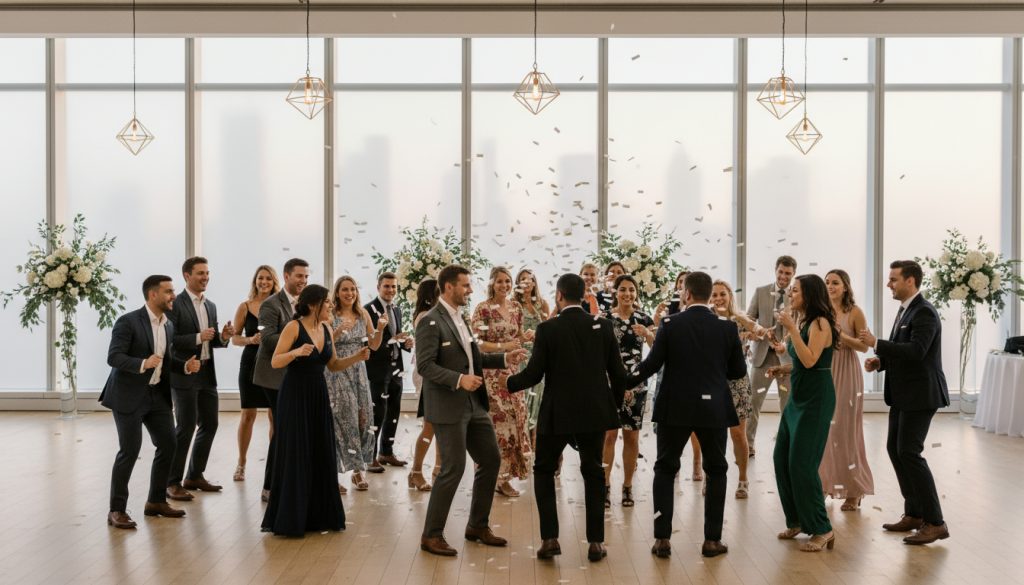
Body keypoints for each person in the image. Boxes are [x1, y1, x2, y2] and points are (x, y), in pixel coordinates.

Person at [504, 273, 627, 563]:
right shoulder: (604, 326)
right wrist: (612, 408)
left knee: (545, 470)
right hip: (594, 412)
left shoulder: (548, 329)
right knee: (593, 471)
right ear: (584, 296)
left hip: (557, 413)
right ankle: (596, 543)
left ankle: (550, 539)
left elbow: (534, 374)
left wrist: (507, 383)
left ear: (559, 296)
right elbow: (618, 374)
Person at [627, 272, 747, 559]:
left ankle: (662, 540)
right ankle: (712, 541)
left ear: (687, 294)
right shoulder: (728, 328)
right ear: (708, 296)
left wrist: (624, 381)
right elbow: (738, 372)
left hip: (675, 408)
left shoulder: (670, 324)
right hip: (713, 408)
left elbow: (652, 365)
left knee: (665, 469)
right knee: (716, 470)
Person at [416, 264, 526, 557]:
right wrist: (458, 380)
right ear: (448, 287)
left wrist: (504, 358)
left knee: (490, 459)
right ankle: (431, 535)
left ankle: (477, 525)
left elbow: (472, 360)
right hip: (448, 405)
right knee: (454, 468)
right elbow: (424, 366)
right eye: (465, 285)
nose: (470, 290)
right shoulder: (430, 321)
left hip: (475, 404)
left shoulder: (460, 318)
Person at [260, 284, 370, 537]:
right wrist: (296, 352)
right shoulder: (293, 327)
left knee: (320, 449)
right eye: (327, 303)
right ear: (313, 305)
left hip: (319, 394)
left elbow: (333, 365)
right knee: (297, 451)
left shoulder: (325, 328)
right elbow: (276, 360)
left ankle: (319, 514)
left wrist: (357, 357)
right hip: (295, 395)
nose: (331, 306)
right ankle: (291, 517)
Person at [859, 260, 950, 545]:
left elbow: (917, 351)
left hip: (921, 395)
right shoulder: (905, 309)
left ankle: (936, 522)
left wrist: (877, 343)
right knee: (895, 449)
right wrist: (881, 361)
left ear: (910, 281)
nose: (889, 284)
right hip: (903, 393)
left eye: (893, 279)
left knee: (909, 452)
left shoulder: (925, 312)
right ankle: (914, 513)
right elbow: (904, 350)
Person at [101, 275, 200, 529]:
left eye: (173, 291)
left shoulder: (168, 325)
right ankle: (116, 510)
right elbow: (114, 357)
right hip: (128, 396)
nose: (173, 296)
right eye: (168, 291)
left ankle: (155, 501)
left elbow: (165, 360)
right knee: (130, 451)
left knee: (169, 444)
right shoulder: (128, 321)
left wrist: (185, 366)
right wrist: (143, 364)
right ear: (152, 294)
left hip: (157, 395)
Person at [770, 274, 839, 553]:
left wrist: (791, 330)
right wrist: (782, 368)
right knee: (781, 458)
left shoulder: (820, 322)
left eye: (795, 291)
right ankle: (797, 520)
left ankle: (823, 528)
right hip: (797, 396)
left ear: (809, 295)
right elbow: (800, 361)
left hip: (816, 400)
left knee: (802, 464)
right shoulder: (801, 322)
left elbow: (811, 360)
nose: (791, 294)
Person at [166, 257, 235, 501]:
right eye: (200, 273)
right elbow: (170, 341)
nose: (205, 277)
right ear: (186, 275)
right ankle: (171, 482)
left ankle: (194, 475)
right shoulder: (175, 304)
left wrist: (223, 337)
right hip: (184, 372)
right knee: (184, 427)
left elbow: (212, 339)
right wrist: (198, 337)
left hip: (206, 372)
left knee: (210, 424)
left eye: (207, 273)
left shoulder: (211, 306)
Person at [472, 266, 532, 497]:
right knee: (499, 424)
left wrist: (522, 339)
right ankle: (496, 477)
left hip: (513, 371)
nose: (505, 286)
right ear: (491, 283)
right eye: (500, 282)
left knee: (517, 419)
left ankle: (507, 475)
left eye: (507, 281)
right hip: (492, 373)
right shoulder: (483, 309)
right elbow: (477, 343)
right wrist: (506, 347)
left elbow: (517, 338)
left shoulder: (516, 307)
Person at [253, 257, 310, 502]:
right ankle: (270, 486)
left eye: (306, 277)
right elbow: (266, 340)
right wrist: (296, 341)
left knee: (291, 430)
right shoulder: (270, 305)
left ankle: (292, 482)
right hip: (274, 376)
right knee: (282, 430)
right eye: (299, 276)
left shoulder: (306, 303)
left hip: (297, 376)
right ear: (286, 276)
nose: (303, 281)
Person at [820, 269, 875, 511]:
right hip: (824, 370)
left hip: (847, 372)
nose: (830, 286)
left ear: (845, 287)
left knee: (844, 431)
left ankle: (855, 490)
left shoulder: (855, 313)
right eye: (827, 282)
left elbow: (865, 347)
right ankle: (825, 484)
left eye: (835, 283)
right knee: (824, 432)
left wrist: (840, 336)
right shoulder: (821, 311)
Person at [601, 274, 654, 508]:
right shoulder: (604, 319)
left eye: (631, 290)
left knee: (631, 436)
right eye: (622, 290)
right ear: (615, 292)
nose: (627, 294)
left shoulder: (643, 318)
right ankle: (604, 486)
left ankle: (628, 486)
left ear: (636, 293)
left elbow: (658, 348)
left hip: (636, 383)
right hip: (610, 384)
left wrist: (648, 334)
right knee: (609, 435)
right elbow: (597, 354)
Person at [327, 276, 383, 493]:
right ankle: (334, 473)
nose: (349, 293)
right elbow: (322, 341)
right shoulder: (331, 314)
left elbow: (375, 345)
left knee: (363, 417)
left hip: (359, 371)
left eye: (352, 289)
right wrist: (339, 331)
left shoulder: (363, 314)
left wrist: (379, 327)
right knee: (343, 418)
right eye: (345, 290)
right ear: (337, 292)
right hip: (337, 370)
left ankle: (358, 471)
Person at [710, 279, 759, 499]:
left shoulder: (739, 320)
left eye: (722, 294)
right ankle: (712, 477)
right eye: (714, 295)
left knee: (738, 434)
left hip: (737, 383)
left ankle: (743, 479)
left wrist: (740, 318)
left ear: (730, 296)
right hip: (712, 382)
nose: (718, 298)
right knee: (712, 434)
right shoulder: (707, 320)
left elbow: (759, 333)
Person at [230, 265, 279, 482]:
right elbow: (234, 338)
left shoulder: (280, 306)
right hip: (250, 362)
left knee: (273, 415)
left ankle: (274, 462)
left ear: (274, 281)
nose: (264, 282)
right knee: (248, 414)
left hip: (272, 363)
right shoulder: (245, 306)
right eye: (260, 278)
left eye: (268, 278)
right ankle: (241, 462)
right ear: (255, 281)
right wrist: (250, 340)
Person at [653, 270, 703, 482]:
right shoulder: (669, 316)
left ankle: (697, 462)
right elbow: (659, 346)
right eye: (680, 283)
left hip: (694, 373)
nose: (682, 288)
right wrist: (657, 321)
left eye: (686, 284)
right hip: (669, 370)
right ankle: (673, 463)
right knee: (673, 423)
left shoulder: (706, 317)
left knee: (695, 423)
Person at [746, 255, 797, 458]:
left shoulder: (798, 295)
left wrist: (787, 343)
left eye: (788, 273)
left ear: (794, 274)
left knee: (787, 405)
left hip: (788, 359)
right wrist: (760, 332)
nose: (784, 276)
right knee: (753, 403)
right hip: (761, 357)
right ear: (775, 270)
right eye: (781, 272)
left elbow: (801, 325)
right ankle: (748, 444)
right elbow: (749, 320)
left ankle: (785, 444)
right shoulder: (761, 292)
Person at [364, 272, 414, 471]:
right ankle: (370, 457)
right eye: (387, 286)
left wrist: (406, 343)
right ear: (378, 287)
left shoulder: (397, 310)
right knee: (377, 414)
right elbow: (369, 341)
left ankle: (386, 452)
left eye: (394, 287)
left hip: (396, 368)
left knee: (394, 411)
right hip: (377, 369)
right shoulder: (368, 310)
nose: (391, 290)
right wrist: (394, 339)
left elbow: (396, 337)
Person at [410, 278, 441, 492]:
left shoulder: (438, 314)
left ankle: (438, 469)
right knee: (430, 426)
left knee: (442, 426)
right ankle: (416, 471)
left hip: (442, 375)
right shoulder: (424, 316)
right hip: (429, 375)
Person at [514, 268, 550, 449]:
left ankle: (536, 439)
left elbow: (548, 330)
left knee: (538, 397)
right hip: (520, 355)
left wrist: (538, 335)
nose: (526, 282)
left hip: (538, 355)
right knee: (523, 396)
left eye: (529, 279)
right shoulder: (513, 303)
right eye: (522, 279)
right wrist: (522, 337)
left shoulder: (542, 304)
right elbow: (511, 332)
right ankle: (523, 440)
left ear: (535, 283)